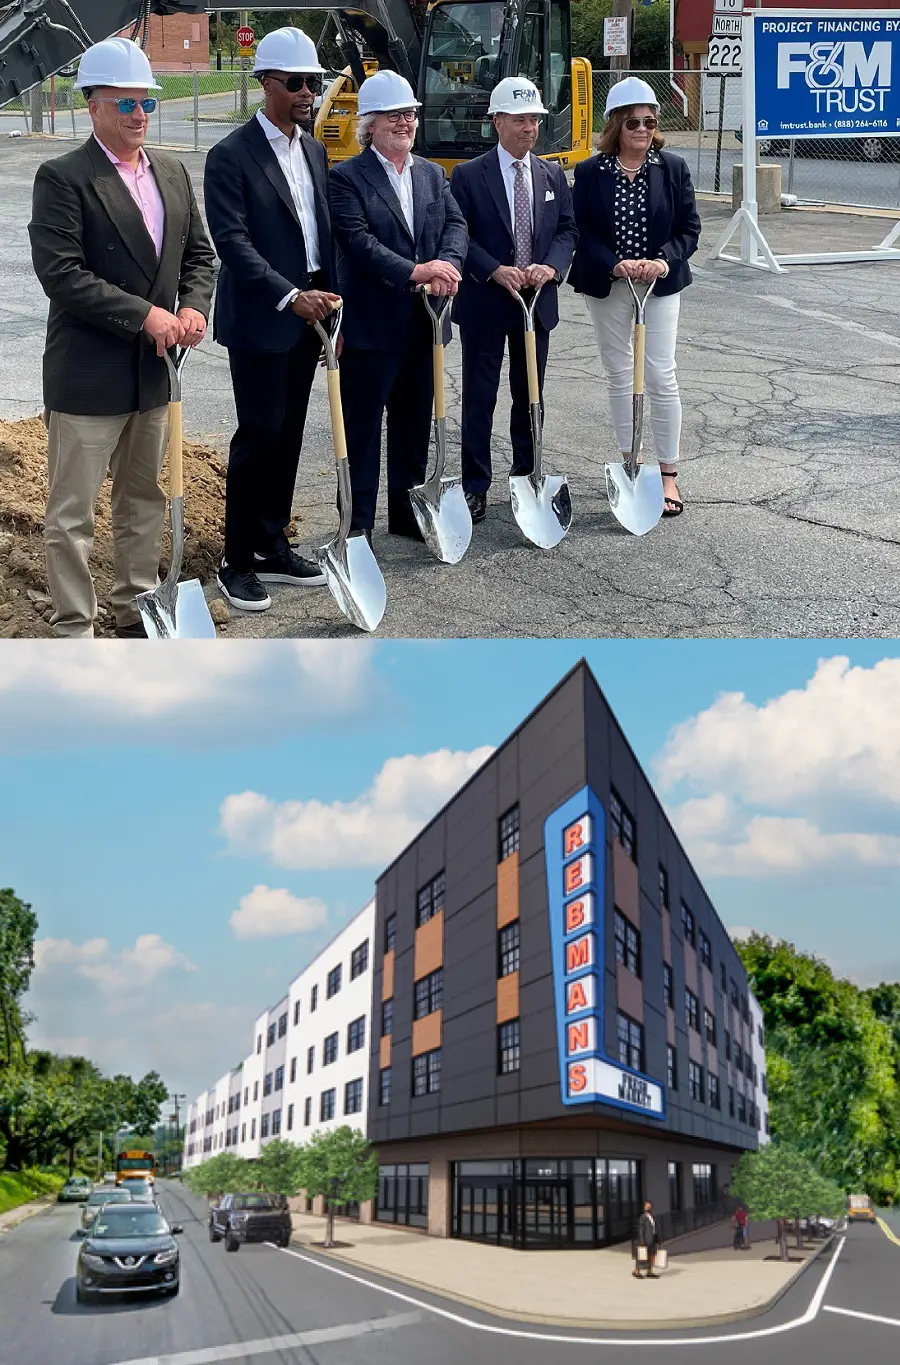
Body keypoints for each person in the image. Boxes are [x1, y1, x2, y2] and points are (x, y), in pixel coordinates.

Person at [28, 37, 215, 639]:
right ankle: (74, 629)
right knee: (72, 515)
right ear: (93, 105)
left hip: (153, 371)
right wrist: (145, 315)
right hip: (89, 372)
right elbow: (62, 274)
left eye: (147, 103)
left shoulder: (171, 172)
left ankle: (135, 609)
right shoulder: (64, 178)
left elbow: (200, 255)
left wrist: (193, 306)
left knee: (144, 499)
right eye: (126, 103)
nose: (139, 115)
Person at [204, 27, 340, 612]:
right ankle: (236, 561)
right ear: (266, 83)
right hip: (264, 317)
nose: (308, 92)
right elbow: (233, 244)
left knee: (289, 435)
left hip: (310, 316)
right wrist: (290, 297)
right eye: (297, 82)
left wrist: (329, 303)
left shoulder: (314, 150)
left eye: (314, 82)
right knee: (258, 436)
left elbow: (321, 236)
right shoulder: (230, 156)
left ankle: (271, 545)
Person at [328, 70, 468, 542]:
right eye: (393, 116)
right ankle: (357, 526)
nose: (404, 123)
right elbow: (357, 241)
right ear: (369, 124)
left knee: (413, 423)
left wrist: (447, 265)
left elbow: (456, 225)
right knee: (362, 430)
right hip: (371, 324)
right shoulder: (346, 178)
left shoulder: (431, 173)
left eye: (409, 114)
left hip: (424, 323)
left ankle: (408, 515)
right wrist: (417, 271)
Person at [569, 76, 701, 518]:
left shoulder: (672, 168)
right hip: (610, 283)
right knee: (620, 373)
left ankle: (668, 474)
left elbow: (689, 229)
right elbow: (580, 230)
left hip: (658, 284)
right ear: (615, 126)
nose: (643, 129)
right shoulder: (591, 172)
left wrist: (663, 261)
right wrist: (613, 263)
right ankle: (632, 465)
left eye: (649, 122)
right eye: (633, 123)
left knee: (661, 374)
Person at [449, 76, 577, 524]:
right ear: (497, 121)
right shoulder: (468, 176)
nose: (529, 128)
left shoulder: (551, 174)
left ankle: (527, 474)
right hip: (487, 300)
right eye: (520, 119)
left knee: (530, 394)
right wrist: (492, 269)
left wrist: (552, 267)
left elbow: (567, 230)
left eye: (534, 120)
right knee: (479, 397)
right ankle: (475, 485)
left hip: (535, 303)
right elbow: (457, 233)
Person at [634, 1200, 660, 1278]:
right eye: (647, 1206)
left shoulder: (652, 1217)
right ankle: (637, 1272)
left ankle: (649, 1272)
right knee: (641, 1256)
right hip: (645, 1240)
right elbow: (641, 1230)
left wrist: (658, 1238)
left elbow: (655, 1228)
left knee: (651, 1255)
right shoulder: (643, 1217)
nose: (648, 1208)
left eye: (649, 1206)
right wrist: (642, 1241)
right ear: (644, 1208)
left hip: (652, 1239)